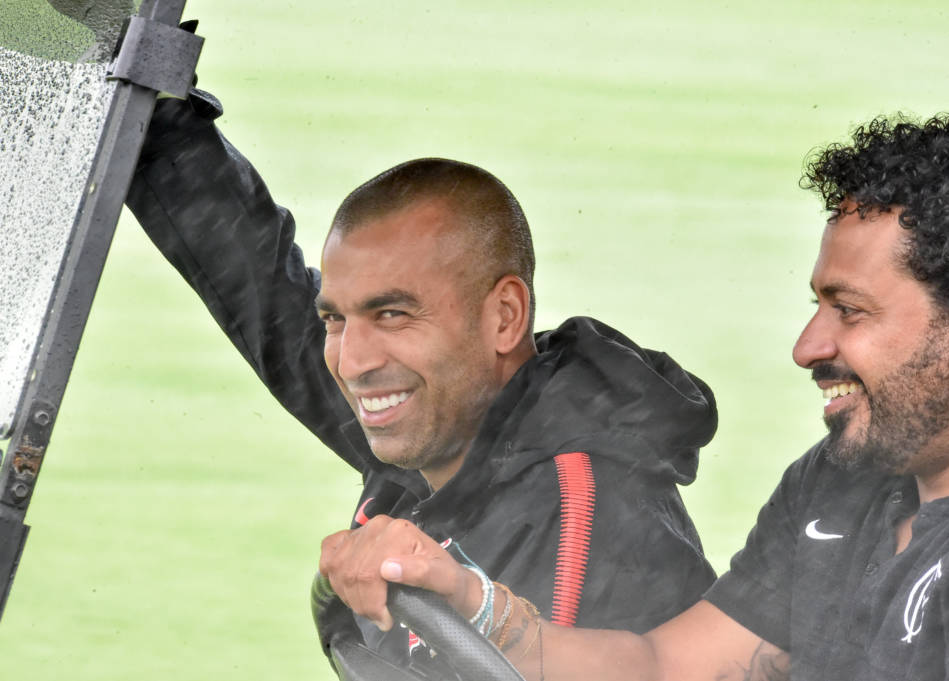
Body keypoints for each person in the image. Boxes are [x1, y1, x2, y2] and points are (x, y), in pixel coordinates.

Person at [320, 112, 949, 681]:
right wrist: (475, 604)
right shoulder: (840, 482)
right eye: (817, 305)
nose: (808, 345)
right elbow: (665, 666)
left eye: (851, 310)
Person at [125, 90, 719, 676]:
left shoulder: (584, 516)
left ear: (504, 317)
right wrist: (158, 122)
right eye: (335, 319)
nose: (352, 363)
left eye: (392, 314)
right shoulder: (443, 417)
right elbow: (263, 294)